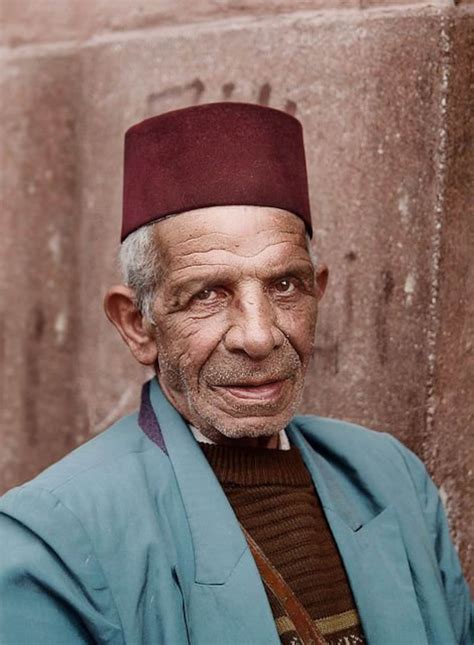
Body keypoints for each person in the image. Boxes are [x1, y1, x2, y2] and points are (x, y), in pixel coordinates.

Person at [0, 103, 472, 645]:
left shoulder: (390, 479)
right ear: (138, 325)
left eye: (284, 287)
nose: (259, 335)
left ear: (318, 291)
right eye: (208, 294)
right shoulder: (55, 536)